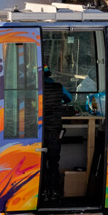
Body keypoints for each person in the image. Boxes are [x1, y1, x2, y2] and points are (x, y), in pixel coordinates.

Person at [41, 65, 72, 200]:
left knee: (40, 162)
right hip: (55, 130)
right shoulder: (59, 87)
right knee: (54, 162)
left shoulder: (35, 88)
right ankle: (54, 191)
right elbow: (68, 99)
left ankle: (41, 191)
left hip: (39, 132)